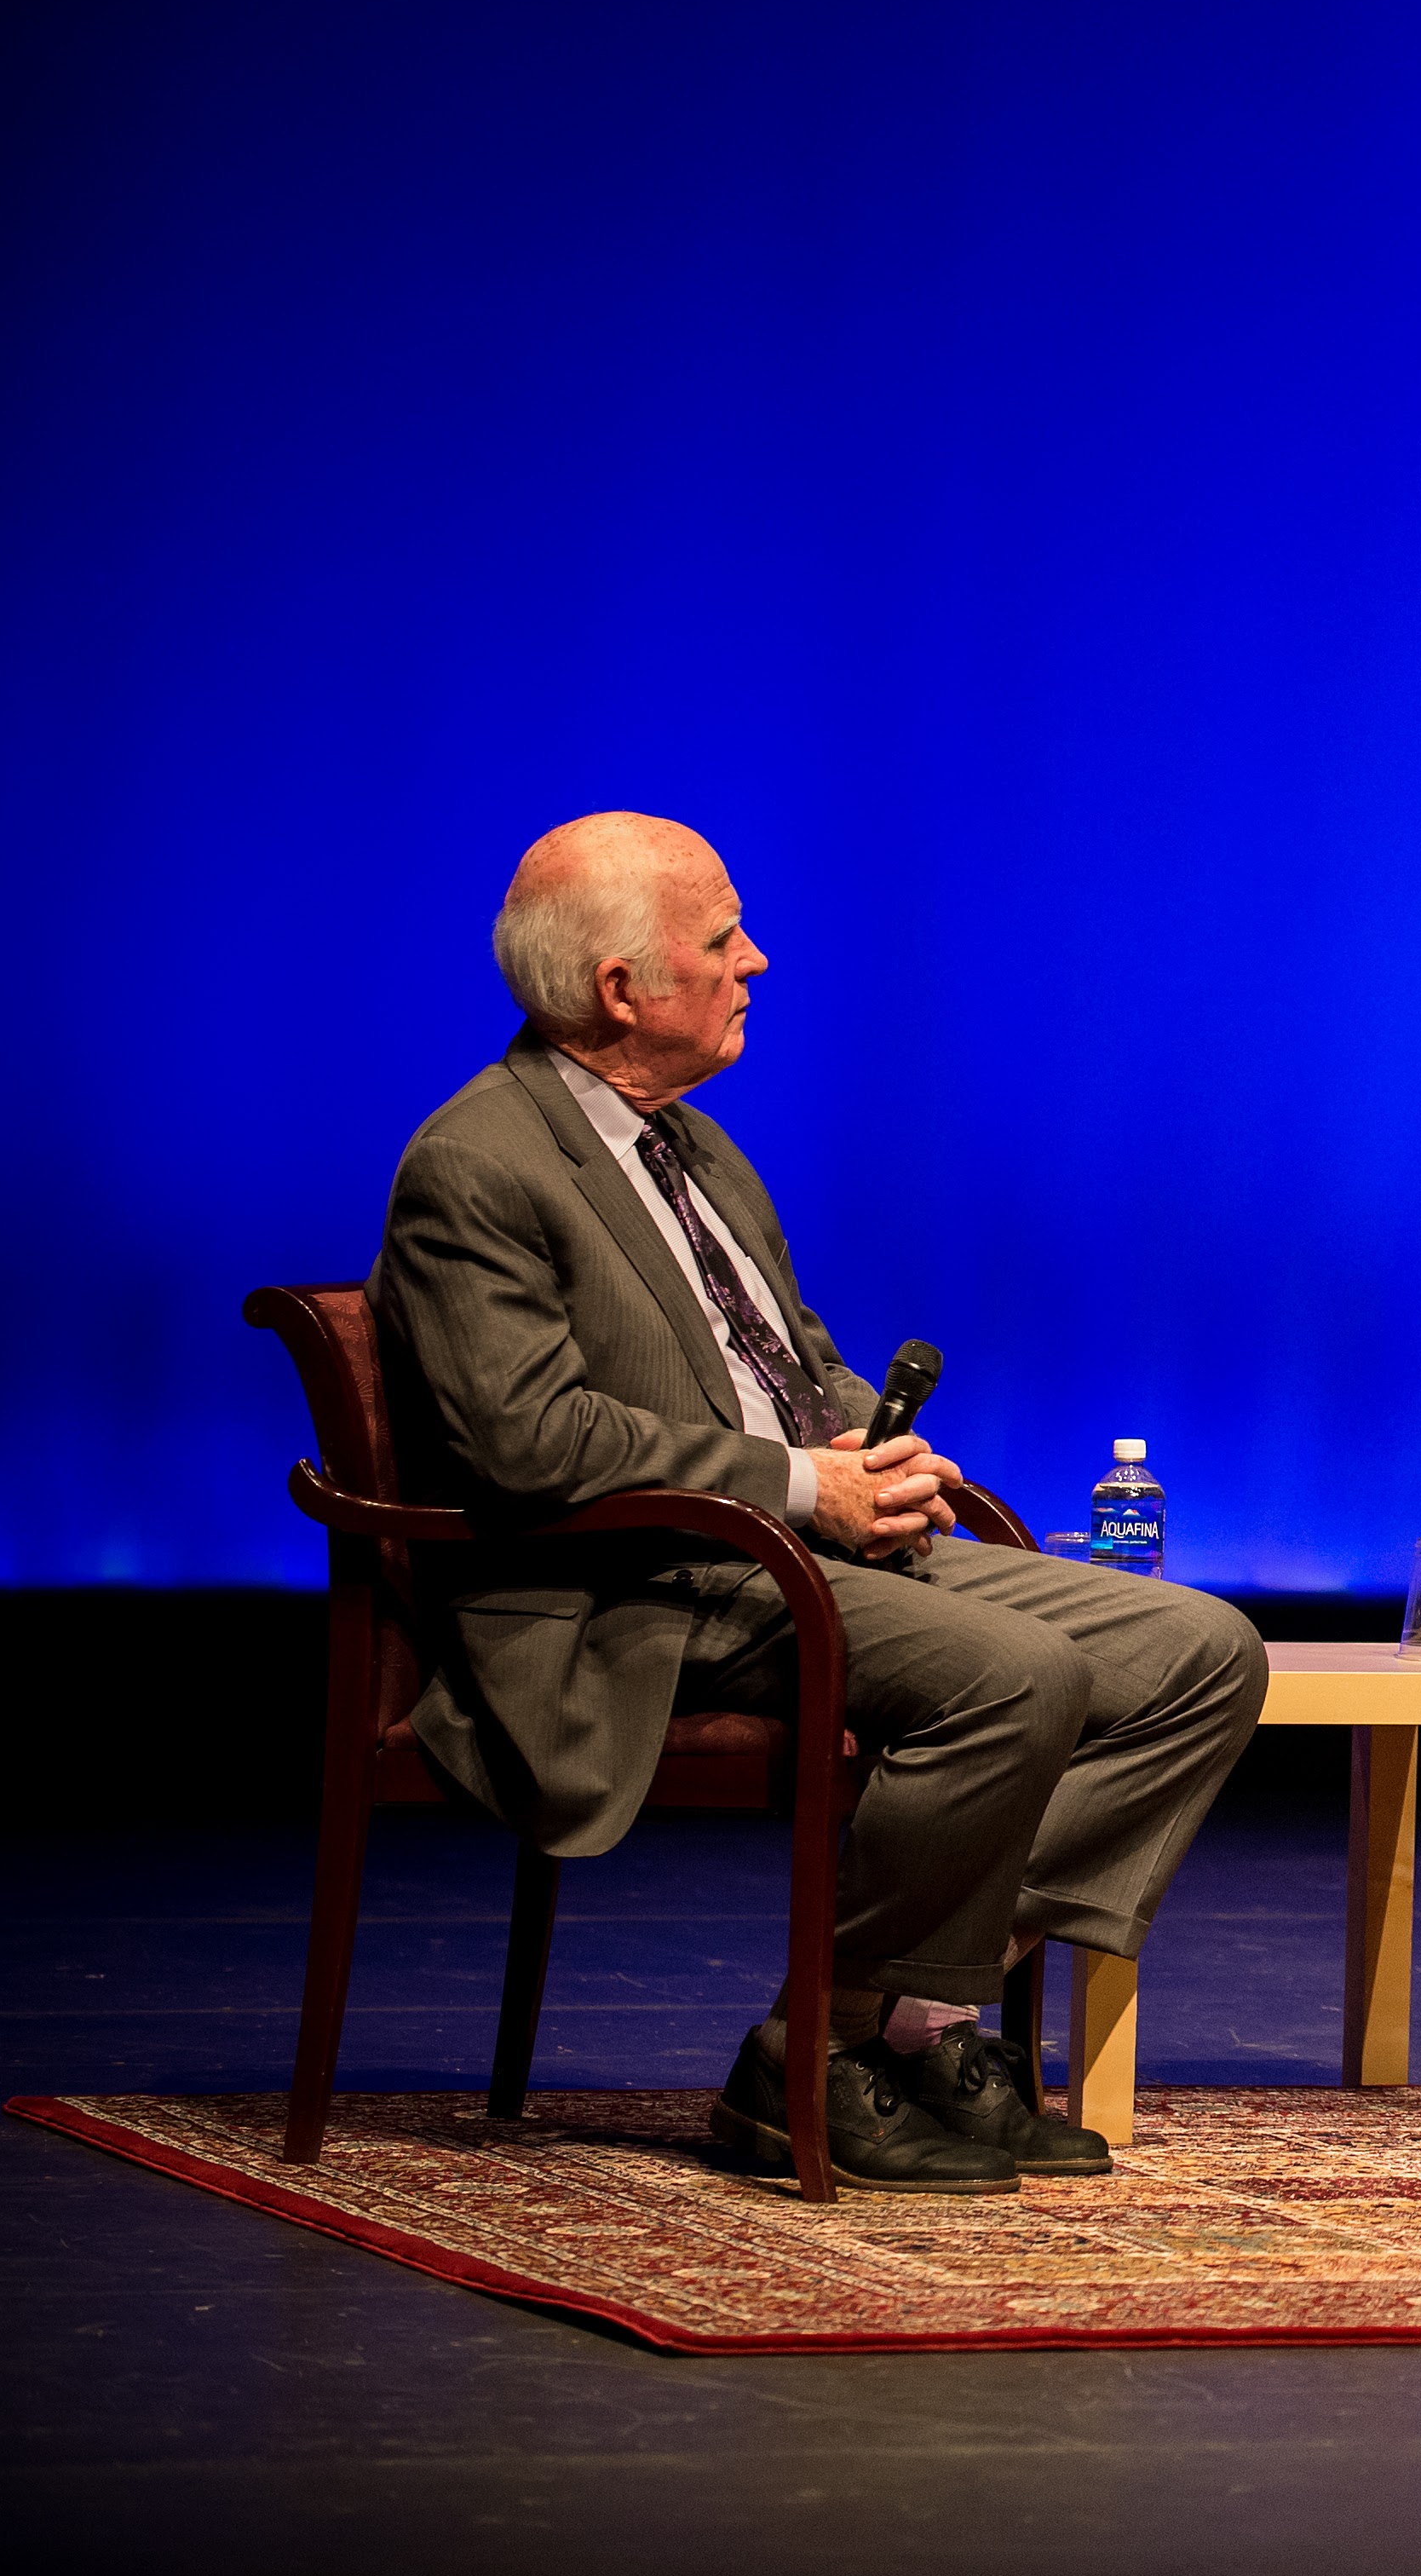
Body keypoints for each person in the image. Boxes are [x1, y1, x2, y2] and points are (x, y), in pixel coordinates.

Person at [370, 813, 1269, 2194]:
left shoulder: (698, 1153)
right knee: (1014, 1673)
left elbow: (786, 1357)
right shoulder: (478, 1165)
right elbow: (525, 1439)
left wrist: (869, 1441)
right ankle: (835, 2051)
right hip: (638, 1589)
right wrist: (804, 1485)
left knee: (1198, 1653)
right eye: (723, 941)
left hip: (784, 1552)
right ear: (623, 989)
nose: (758, 961)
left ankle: (882, 2022)